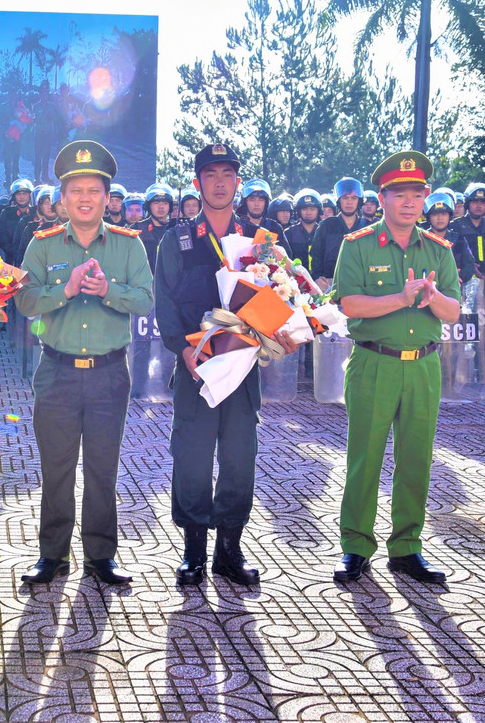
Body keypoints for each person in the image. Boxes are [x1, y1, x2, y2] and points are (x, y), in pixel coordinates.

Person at [15, 140, 153, 586]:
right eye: (76, 190)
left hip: (110, 375)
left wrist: (106, 291)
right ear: (62, 198)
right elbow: (25, 301)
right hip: (55, 373)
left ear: (108, 197)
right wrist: (68, 290)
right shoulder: (42, 246)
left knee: (102, 466)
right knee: (56, 468)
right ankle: (52, 555)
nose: (85, 198)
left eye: (94, 189)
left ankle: (100, 554)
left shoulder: (130, 247)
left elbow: (147, 300)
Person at [154, 143, 292, 587]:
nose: (219, 182)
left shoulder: (261, 242)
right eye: (210, 174)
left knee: (240, 457)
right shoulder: (175, 240)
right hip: (196, 367)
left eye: (227, 174)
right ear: (197, 183)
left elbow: (278, 296)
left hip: (243, 368)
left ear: (238, 182)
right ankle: (194, 549)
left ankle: (228, 550)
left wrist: (278, 334)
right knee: (191, 456)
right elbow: (165, 303)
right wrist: (183, 349)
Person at [332, 150, 461, 586]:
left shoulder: (439, 250)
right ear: (381, 199)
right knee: (364, 456)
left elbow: (454, 311)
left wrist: (431, 297)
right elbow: (349, 304)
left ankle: (406, 548)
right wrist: (402, 299)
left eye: (417, 194)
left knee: (416, 459)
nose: (410, 202)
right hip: (374, 362)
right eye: (399, 194)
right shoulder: (358, 245)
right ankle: (355, 546)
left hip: (423, 367)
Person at [310, 177, 370, 289]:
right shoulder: (326, 226)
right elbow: (315, 255)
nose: (349, 202)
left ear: (359, 201)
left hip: (362, 285)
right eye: (345, 198)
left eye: (354, 198)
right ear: (339, 200)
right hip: (331, 284)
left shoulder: (367, 227)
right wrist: (317, 277)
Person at [450, 183, 485, 280]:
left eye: (482, 203)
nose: (479, 206)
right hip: (463, 279)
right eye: (475, 202)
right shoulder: (455, 226)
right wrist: (469, 267)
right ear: (467, 203)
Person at [0, 179, 36, 265]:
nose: (21, 197)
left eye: (24, 194)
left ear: (30, 195)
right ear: (14, 196)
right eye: (18, 194)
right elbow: (2, 238)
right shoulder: (7, 213)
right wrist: (16, 255)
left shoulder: (36, 212)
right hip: (11, 260)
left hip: (35, 258)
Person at [137, 184, 177, 268]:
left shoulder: (177, 229)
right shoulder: (137, 229)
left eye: (165, 203)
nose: (161, 207)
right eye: (156, 203)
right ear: (148, 206)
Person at [282, 189, 321, 270]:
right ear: (298, 211)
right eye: (304, 209)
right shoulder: (289, 233)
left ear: (318, 210)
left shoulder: (323, 232)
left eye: (312, 209)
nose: (308, 212)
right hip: (295, 279)